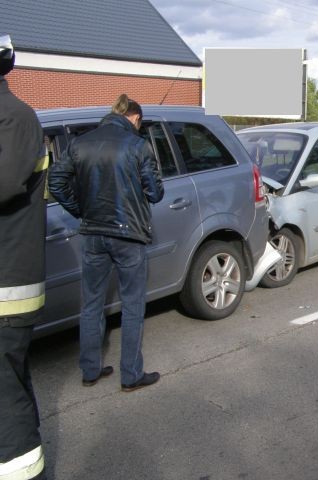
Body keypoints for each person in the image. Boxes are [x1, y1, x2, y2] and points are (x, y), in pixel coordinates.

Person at [48, 93, 164, 392]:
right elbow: (155, 193)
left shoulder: (80, 143)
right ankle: (131, 375)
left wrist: (80, 210)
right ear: (134, 118)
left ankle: (90, 370)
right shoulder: (138, 146)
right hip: (129, 237)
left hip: (92, 234)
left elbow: (56, 182)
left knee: (91, 304)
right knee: (133, 304)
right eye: (139, 124)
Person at [0, 34, 47, 480]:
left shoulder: (13, 118)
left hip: (7, 290)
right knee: (12, 385)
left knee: (5, 399)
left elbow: (4, 185)